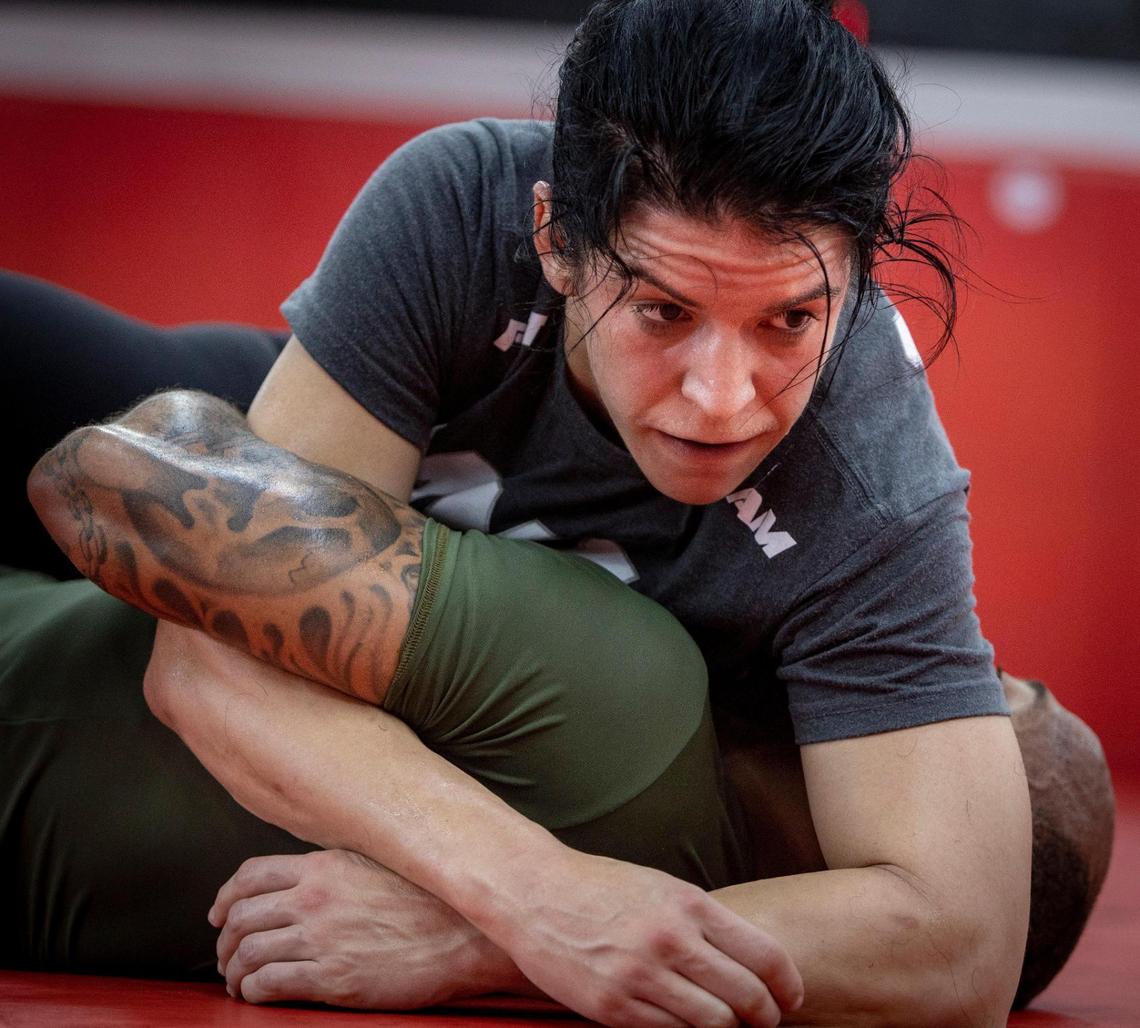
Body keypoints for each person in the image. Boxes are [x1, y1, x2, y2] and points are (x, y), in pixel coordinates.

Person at [0, 0, 1116, 1022]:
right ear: (555, 241)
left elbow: (964, 946)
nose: (722, 399)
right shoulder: (466, 206)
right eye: (664, 309)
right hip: (272, 435)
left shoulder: (871, 480)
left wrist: (474, 934)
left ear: (861, 278)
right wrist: (537, 902)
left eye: (788, 322)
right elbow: (196, 640)